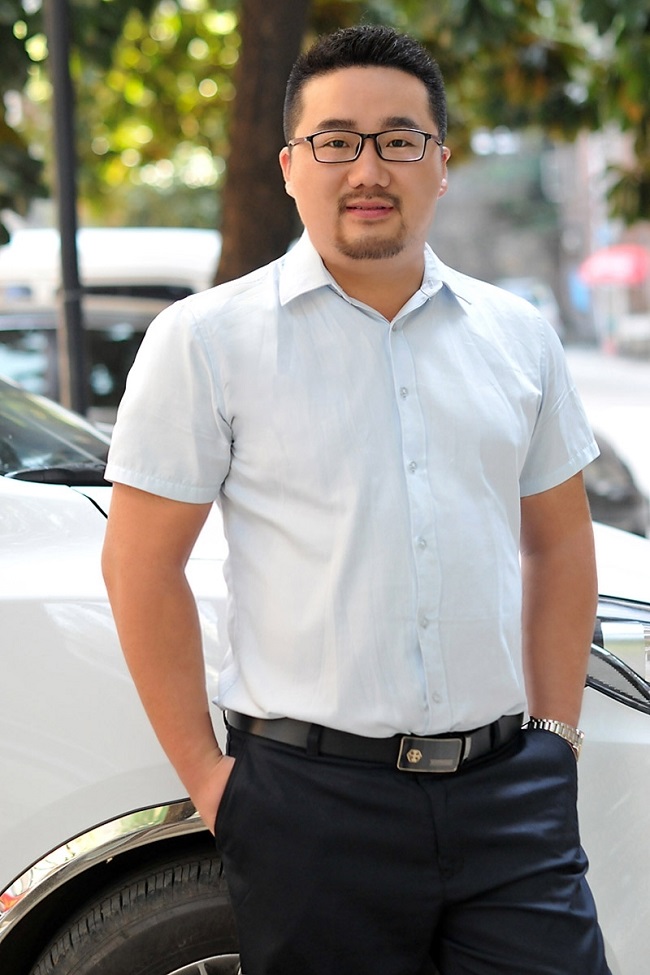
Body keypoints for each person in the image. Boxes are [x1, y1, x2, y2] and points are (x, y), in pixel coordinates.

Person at [102, 24, 611, 975]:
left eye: (400, 139)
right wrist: (214, 785)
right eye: (336, 140)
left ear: (441, 164)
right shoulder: (206, 341)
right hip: (310, 809)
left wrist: (555, 742)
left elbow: (558, 545)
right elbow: (140, 566)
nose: (368, 168)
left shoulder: (519, 336)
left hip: (511, 796)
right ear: (290, 165)